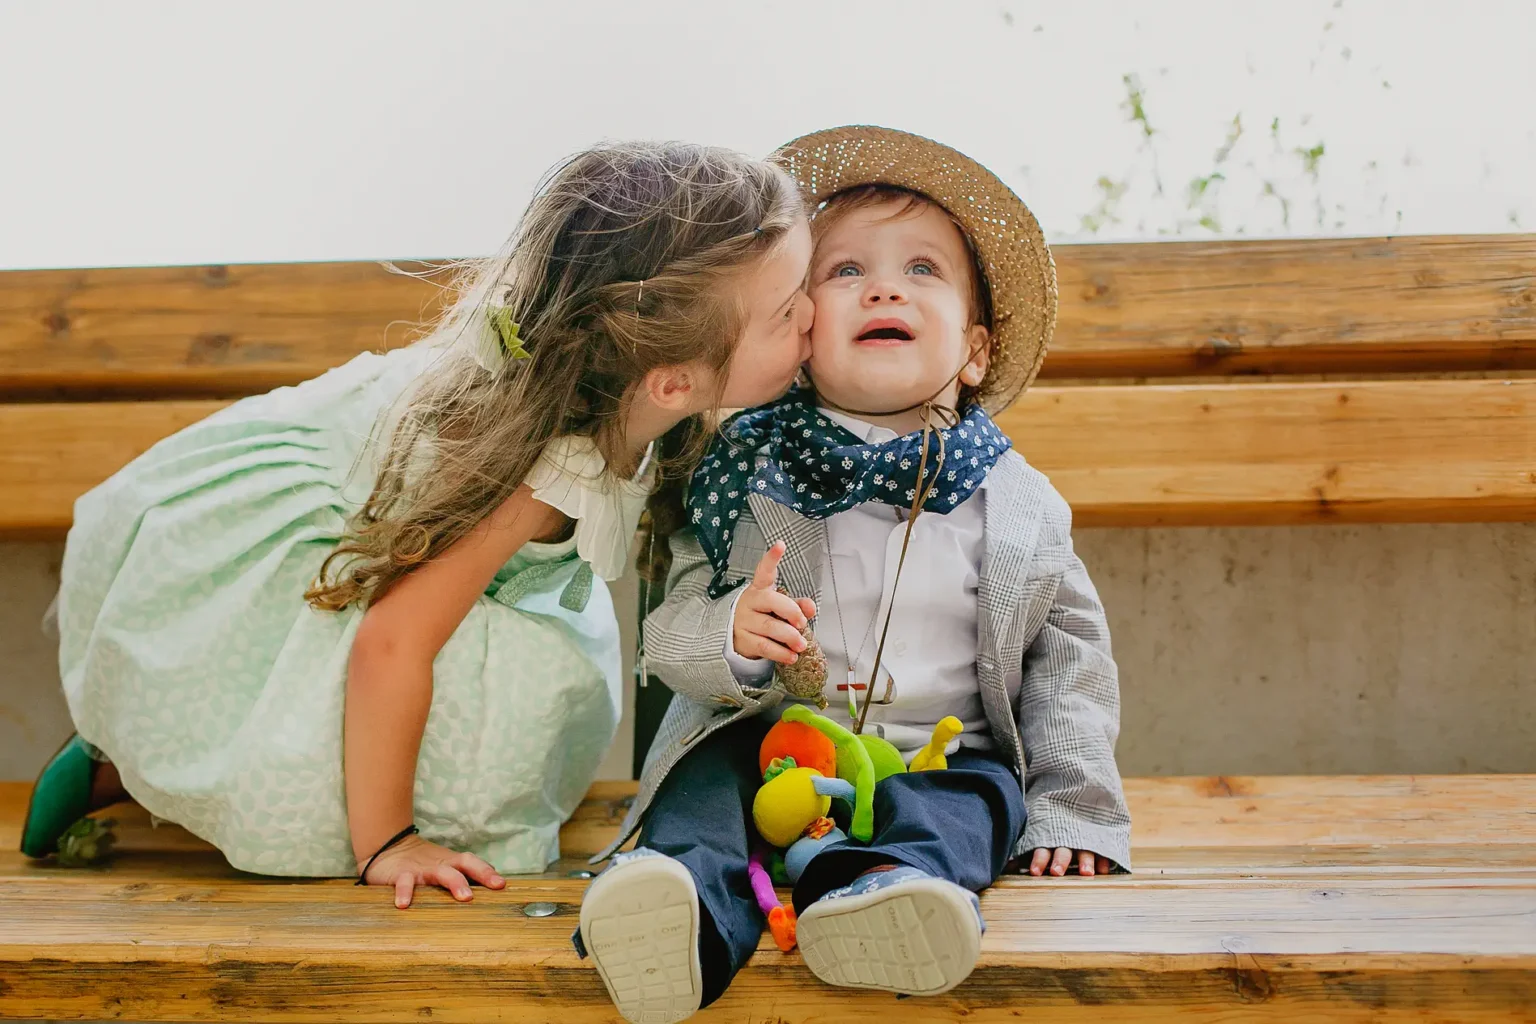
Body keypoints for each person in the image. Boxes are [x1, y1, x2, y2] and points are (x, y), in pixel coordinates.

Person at [21, 141, 815, 909]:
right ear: (673, 382)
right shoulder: (539, 474)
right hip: (324, 552)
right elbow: (392, 641)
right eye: (787, 312)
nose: (814, 314)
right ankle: (112, 765)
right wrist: (387, 843)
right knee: (358, 729)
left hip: (402, 537)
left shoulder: (630, 382)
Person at [575, 126, 1130, 1021]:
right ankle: (676, 905)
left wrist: (1074, 811)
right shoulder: (745, 474)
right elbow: (669, 630)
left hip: (941, 757)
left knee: (978, 803)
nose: (882, 286)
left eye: (922, 270)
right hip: (775, 747)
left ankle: (877, 893)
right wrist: (730, 637)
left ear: (977, 348)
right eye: (845, 273)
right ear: (801, 333)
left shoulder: (1015, 501)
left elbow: (1071, 669)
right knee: (707, 784)